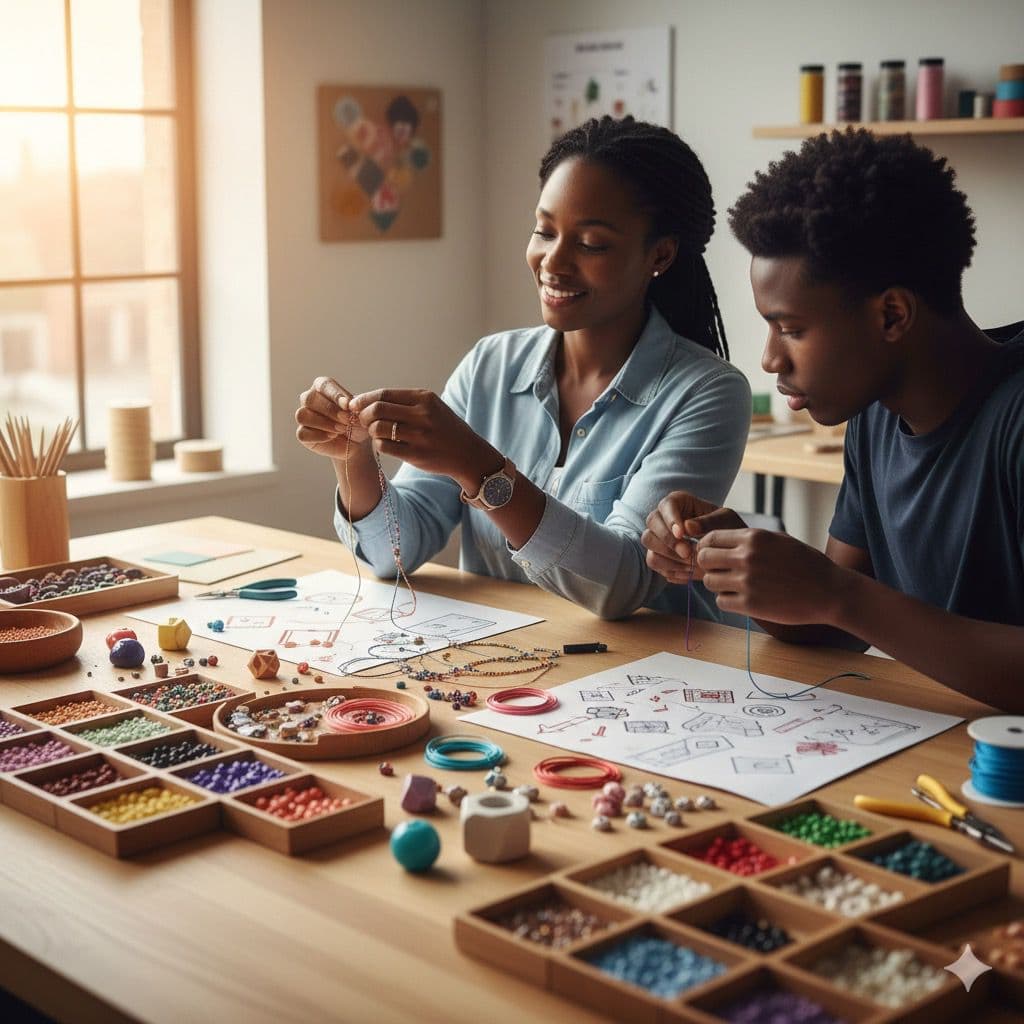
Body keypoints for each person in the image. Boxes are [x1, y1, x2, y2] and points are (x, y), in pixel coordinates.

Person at [294, 116, 751, 620]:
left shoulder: (708, 393)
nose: (553, 262)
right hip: (507, 666)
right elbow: (391, 555)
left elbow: (623, 584)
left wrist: (480, 467)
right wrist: (355, 458)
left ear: (659, 254)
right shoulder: (491, 364)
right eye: (544, 231)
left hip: (643, 679)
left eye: (591, 243)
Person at [642, 128, 1024, 710]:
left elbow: (847, 602)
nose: (770, 357)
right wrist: (743, 557)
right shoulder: (875, 416)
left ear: (892, 314)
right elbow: (835, 624)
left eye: (791, 329)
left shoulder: (1014, 421)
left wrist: (837, 594)